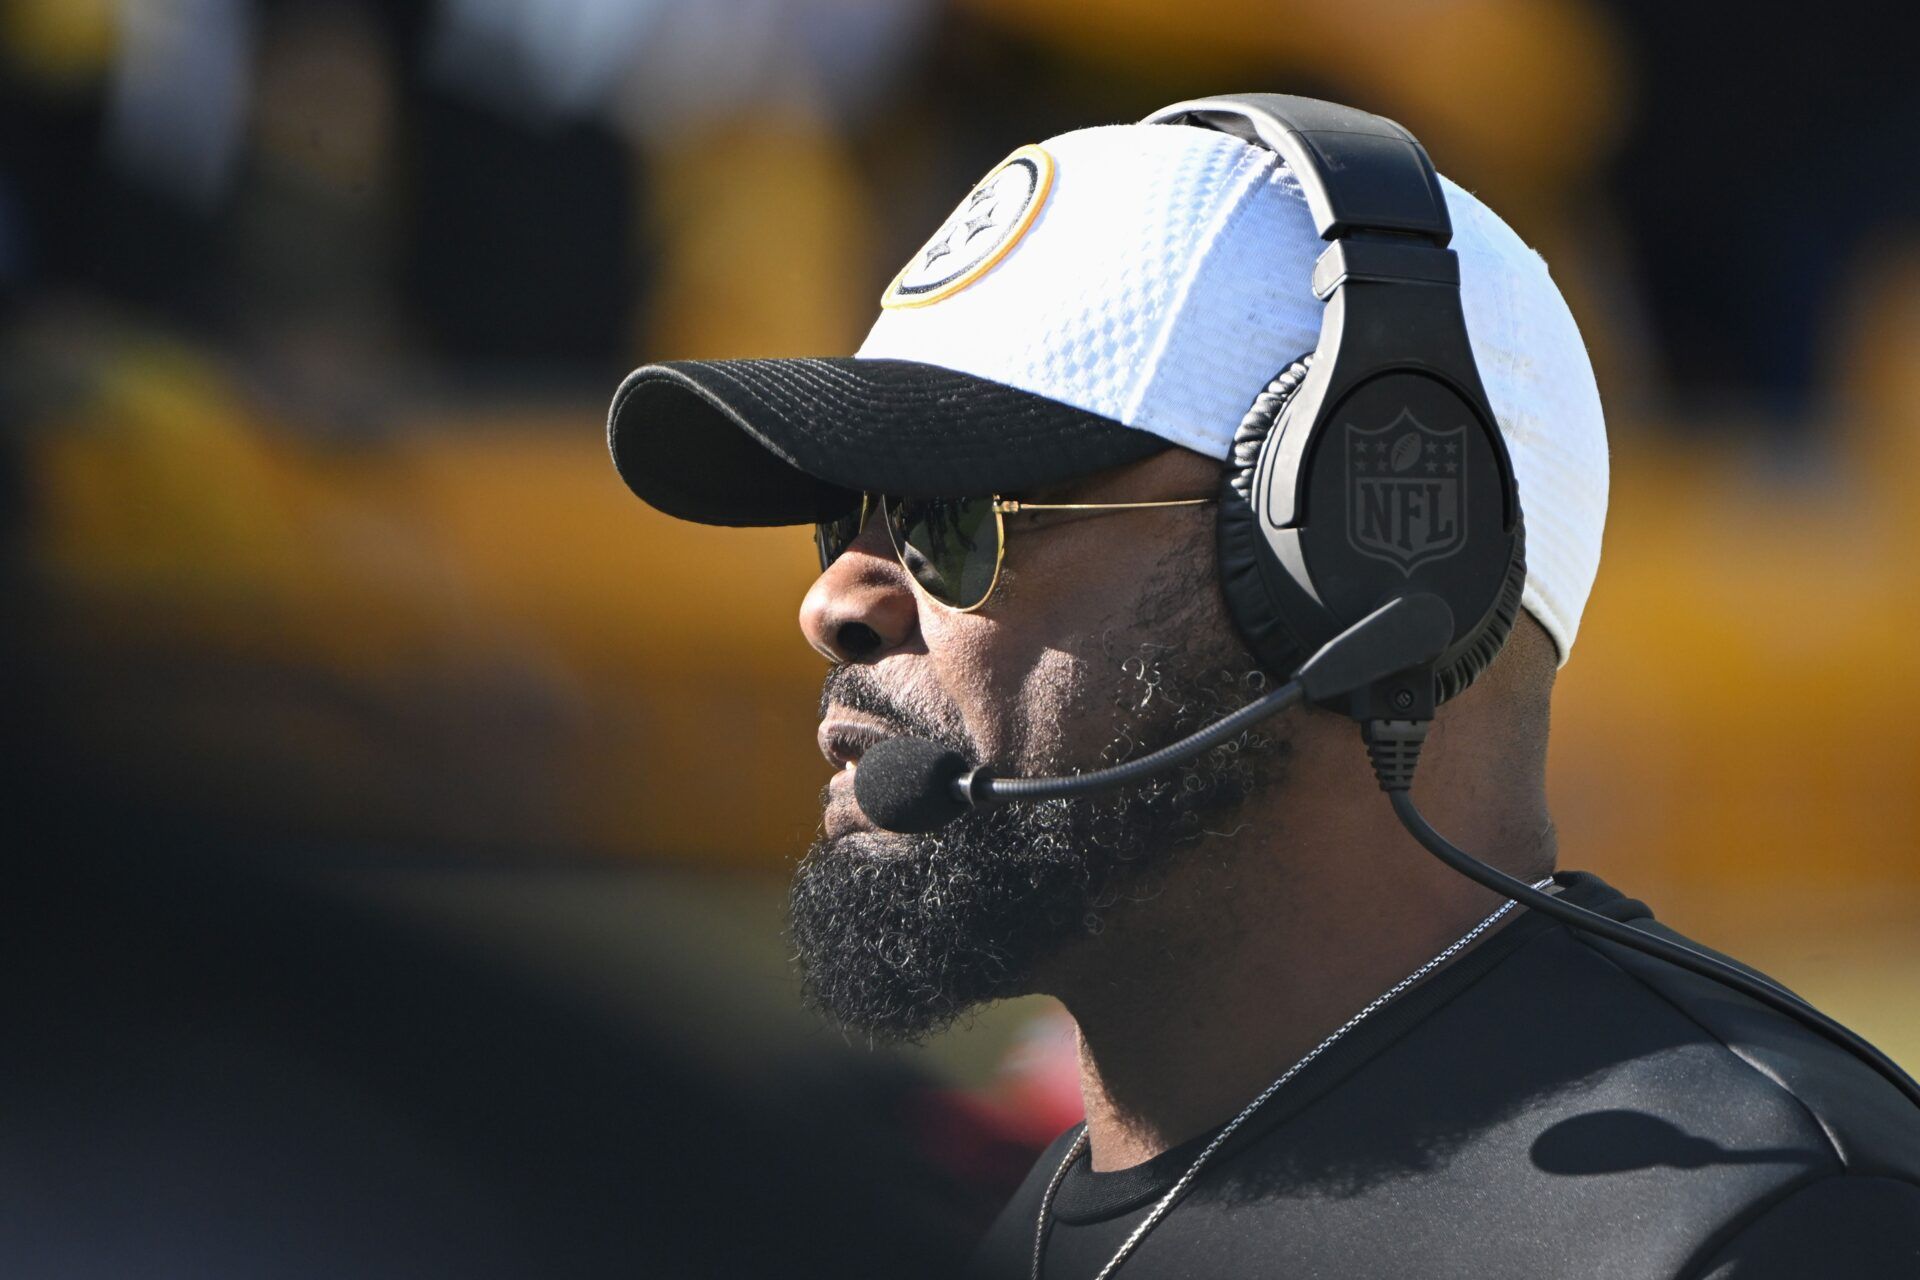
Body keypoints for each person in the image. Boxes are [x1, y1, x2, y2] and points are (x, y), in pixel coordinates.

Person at [606, 103, 1920, 1277]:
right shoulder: (1043, 1208)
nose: (834, 601)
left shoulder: (1765, 1233)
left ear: (1363, 562)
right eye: (840, 521)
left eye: (950, 517)